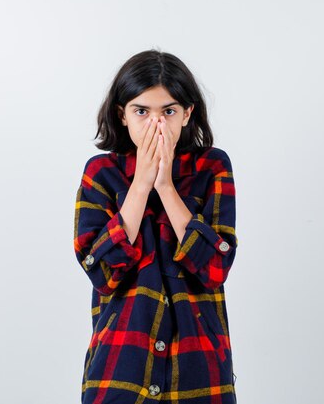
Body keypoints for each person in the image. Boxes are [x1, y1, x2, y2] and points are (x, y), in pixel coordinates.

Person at [73, 49, 239, 404]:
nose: (156, 124)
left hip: (199, 367)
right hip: (120, 367)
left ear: (187, 113)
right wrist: (141, 184)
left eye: (168, 111)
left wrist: (165, 186)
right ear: (123, 115)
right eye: (141, 111)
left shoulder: (212, 167)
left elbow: (215, 268)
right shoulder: (101, 173)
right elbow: (102, 274)